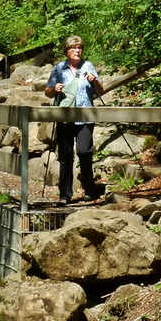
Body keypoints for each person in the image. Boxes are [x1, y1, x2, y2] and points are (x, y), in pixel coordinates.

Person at [44, 35, 104, 205]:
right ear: (67, 51)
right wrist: (54, 89)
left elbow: (101, 89)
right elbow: (47, 91)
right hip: (65, 117)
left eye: (80, 48)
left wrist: (95, 81)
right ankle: (65, 194)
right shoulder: (59, 69)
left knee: (84, 152)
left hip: (85, 117)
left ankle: (89, 190)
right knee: (65, 155)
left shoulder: (88, 66)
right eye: (74, 48)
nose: (78, 51)